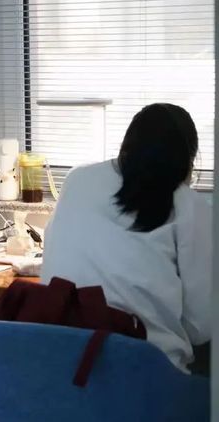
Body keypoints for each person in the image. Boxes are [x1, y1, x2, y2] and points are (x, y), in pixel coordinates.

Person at [42, 103, 211, 372]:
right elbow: (201, 327)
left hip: (63, 366)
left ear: (126, 145)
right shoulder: (189, 205)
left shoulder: (77, 179)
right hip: (145, 373)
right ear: (186, 160)